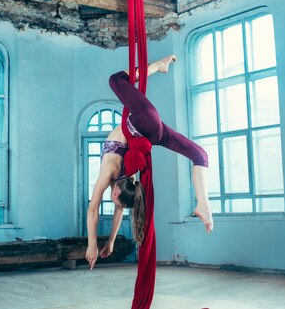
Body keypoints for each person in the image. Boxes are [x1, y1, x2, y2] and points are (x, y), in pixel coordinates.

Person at [86, 55, 213, 270]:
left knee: (200, 156)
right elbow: (93, 210)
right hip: (143, 120)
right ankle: (157, 66)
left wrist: (108, 242)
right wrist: (95, 244)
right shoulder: (111, 172)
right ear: (116, 193)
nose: (115, 205)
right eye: (116, 201)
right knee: (115, 79)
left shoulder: (129, 177)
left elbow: (118, 211)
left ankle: (204, 204)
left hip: (155, 133)